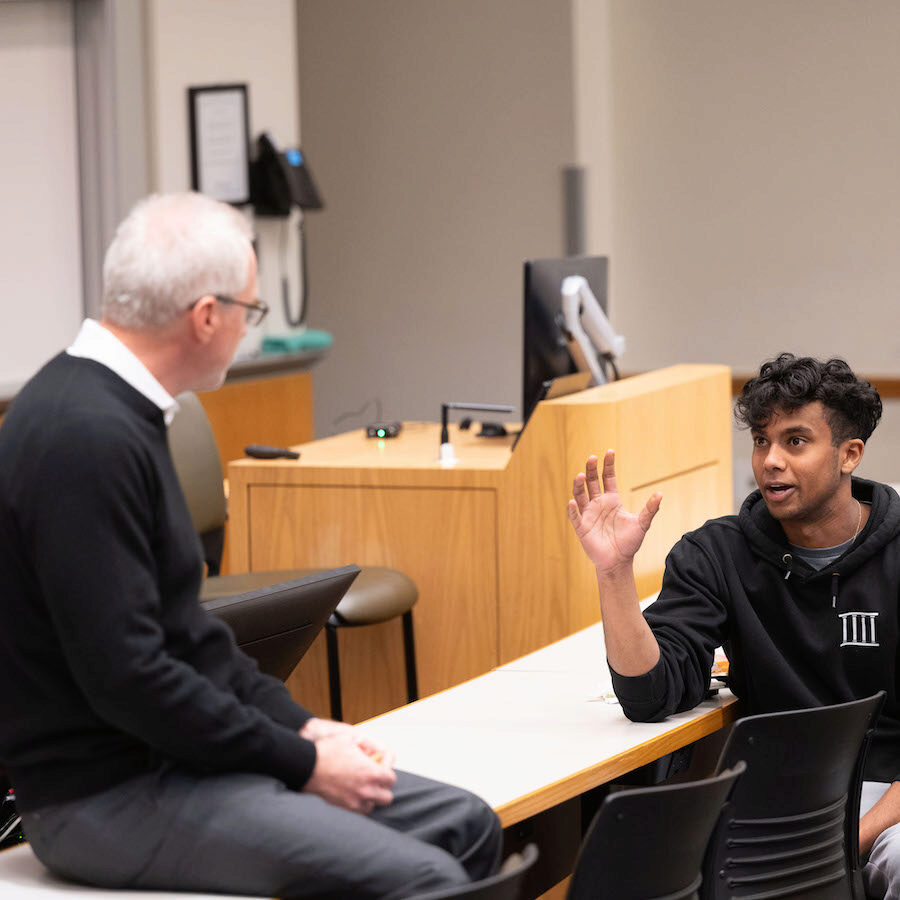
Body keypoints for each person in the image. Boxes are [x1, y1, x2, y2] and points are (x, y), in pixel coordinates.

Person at [0, 192, 501, 899]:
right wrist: (300, 761)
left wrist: (306, 728)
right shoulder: (83, 436)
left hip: (171, 765)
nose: (246, 330)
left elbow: (189, 636)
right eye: (249, 312)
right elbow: (131, 677)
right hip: (103, 799)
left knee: (466, 824)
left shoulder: (121, 415)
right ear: (208, 317)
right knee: (425, 878)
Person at [567, 353, 900, 899]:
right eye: (761, 441)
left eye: (795, 442)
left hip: (885, 798)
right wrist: (614, 573)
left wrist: (846, 843)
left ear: (849, 454)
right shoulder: (718, 553)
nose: (769, 461)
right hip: (771, 798)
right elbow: (649, 695)